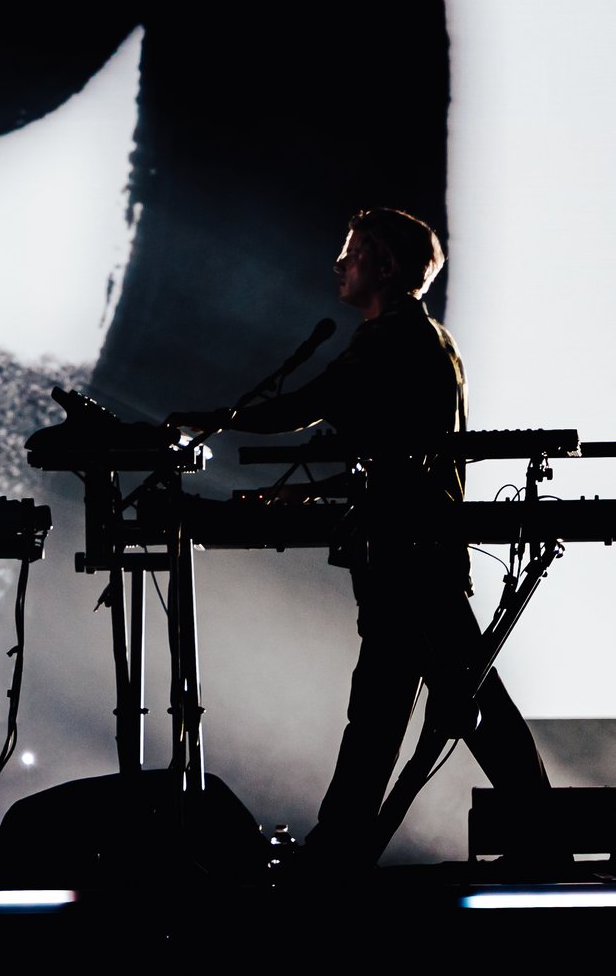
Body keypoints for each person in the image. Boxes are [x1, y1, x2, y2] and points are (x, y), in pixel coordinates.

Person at [215, 208, 548, 863]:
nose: (341, 264)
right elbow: (392, 453)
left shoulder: (387, 340)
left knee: (423, 702)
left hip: (406, 552)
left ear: (386, 267)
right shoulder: (434, 342)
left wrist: (211, 420)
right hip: (424, 547)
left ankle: (348, 845)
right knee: (426, 700)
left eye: (354, 252)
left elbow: (309, 404)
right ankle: (350, 842)